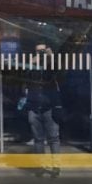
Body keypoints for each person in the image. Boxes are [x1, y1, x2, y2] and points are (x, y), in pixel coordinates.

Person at [18, 43, 62, 176]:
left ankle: (56, 166)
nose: (41, 54)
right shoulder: (32, 66)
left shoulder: (52, 65)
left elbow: (58, 74)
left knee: (53, 138)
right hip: (34, 107)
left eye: (43, 51)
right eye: (38, 52)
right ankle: (40, 166)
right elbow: (21, 78)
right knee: (38, 139)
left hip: (50, 108)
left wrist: (51, 58)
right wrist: (31, 64)